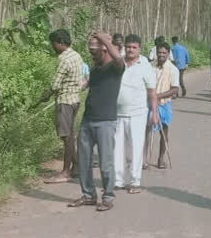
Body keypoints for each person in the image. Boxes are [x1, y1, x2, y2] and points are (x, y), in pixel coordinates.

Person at [68, 32, 125, 212]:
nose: (91, 53)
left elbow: (118, 57)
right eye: (89, 50)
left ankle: (108, 197)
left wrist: (105, 40)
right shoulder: (95, 68)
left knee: (106, 162)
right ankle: (89, 195)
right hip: (88, 119)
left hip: (105, 122)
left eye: (94, 50)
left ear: (104, 48)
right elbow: (87, 84)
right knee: (84, 160)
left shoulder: (115, 68)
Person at [114, 34, 158, 194]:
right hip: (118, 114)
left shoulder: (145, 66)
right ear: (124, 47)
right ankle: (118, 181)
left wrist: (154, 113)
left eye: (134, 47)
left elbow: (152, 93)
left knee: (136, 147)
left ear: (139, 49)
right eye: (128, 47)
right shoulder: (118, 63)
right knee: (117, 149)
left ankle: (134, 181)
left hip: (138, 114)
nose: (131, 50)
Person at [39, 29, 84, 183]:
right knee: (70, 134)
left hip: (65, 101)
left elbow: (55, 84)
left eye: (53, 44)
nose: (52, 47)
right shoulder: (76, 55)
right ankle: (76, 167)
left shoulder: (64, 59)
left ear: (59, 43)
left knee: (67, 137)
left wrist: (43, 97)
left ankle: (65, 171)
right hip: (75, 100)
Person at [145, 41, 179, 170]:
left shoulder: (173, 69)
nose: (161, 55)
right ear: (156, 52)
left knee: (164, 131)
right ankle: (145, 159)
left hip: (164, 104)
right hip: (147, 103)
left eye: (164, 53)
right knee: (146, 131)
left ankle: (160, 159)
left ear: (168, 54)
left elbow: (175, 89)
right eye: (159, 52)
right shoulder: (149, 66)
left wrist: (158, 96)